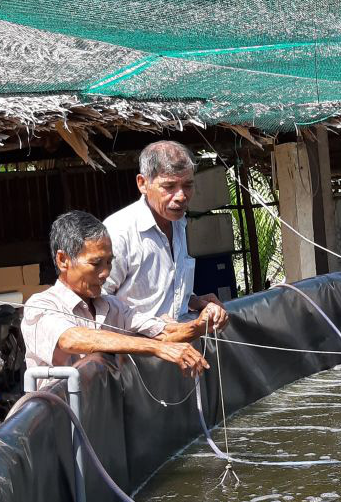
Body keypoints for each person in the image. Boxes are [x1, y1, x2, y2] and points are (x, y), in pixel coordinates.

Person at [22, 210, 215, 375]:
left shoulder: (113, 306)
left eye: (109, 262)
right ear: (63, 260)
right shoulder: (40, 305)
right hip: (60, 417)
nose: (106, 273)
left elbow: (162, 331)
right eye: (96, 263)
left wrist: (200, 325)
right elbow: (71, 338)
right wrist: (156, 347)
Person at [103, 140, 231, 331]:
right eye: (169, 186)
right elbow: (96, 302)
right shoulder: (119, 231)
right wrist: (151, 325)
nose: (181, 196)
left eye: (188, 185)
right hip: (132, 355)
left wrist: (194, 301)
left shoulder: (179, 223)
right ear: (143, 184)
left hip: (175, 350)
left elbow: (164, 294)